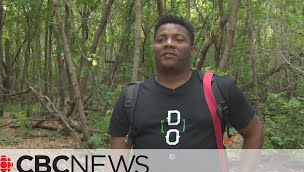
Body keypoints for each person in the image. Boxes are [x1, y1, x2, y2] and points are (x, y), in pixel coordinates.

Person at [108, 15, 264, 149]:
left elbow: (254, 133)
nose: (168, 43)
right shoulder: (131, 99)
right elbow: (116, 163)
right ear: (154, 48)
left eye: (178, 39)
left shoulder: (219, 89)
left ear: (192, 50)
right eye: (161, 39)